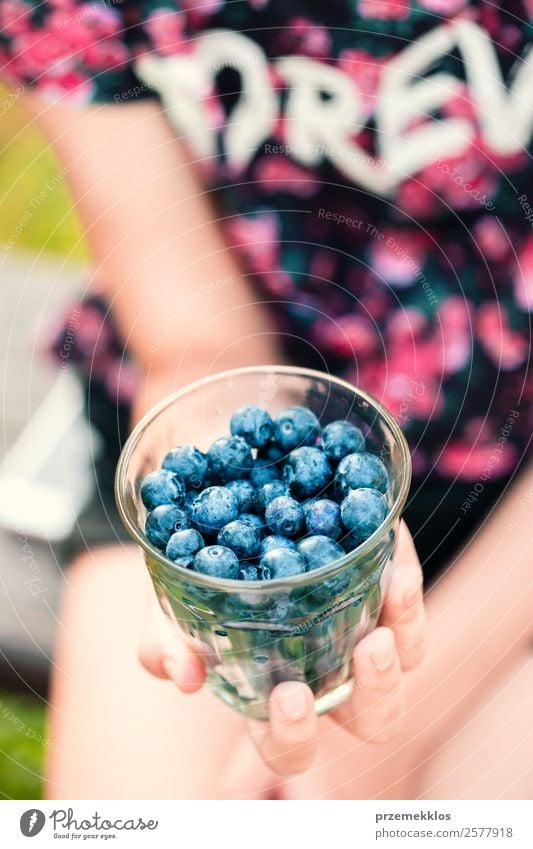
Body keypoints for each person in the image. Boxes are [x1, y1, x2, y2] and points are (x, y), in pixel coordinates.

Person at [1, 0, 531, 799]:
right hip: (209, 438)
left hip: (510, 501)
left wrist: (391, 732)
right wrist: (216, 586)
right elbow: (195, 339)